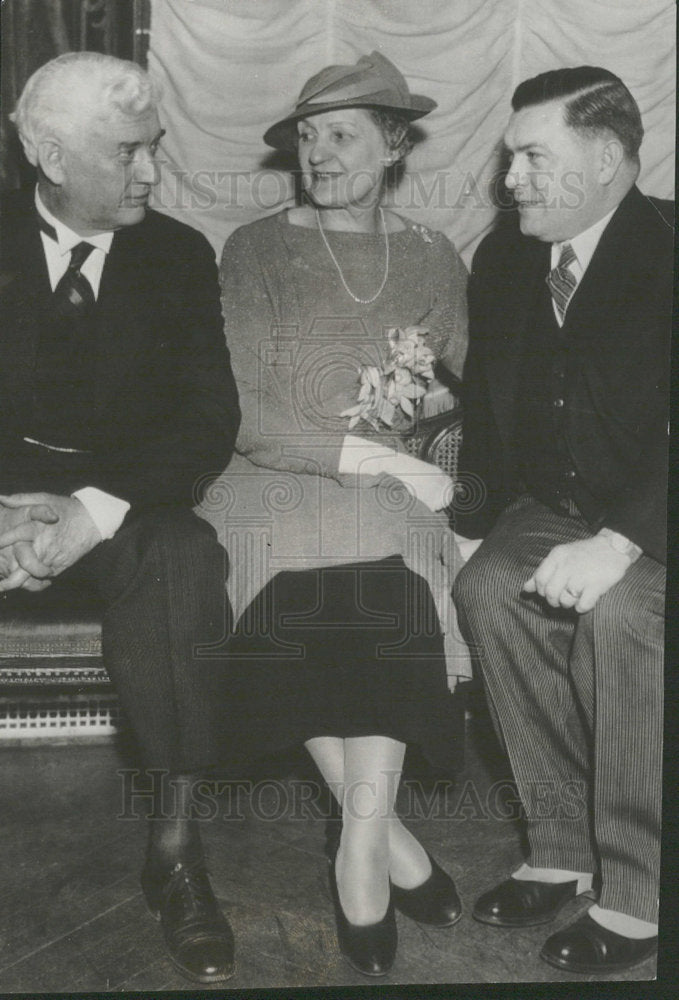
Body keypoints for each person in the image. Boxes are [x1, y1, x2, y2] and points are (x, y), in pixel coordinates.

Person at [199, 51, 469, 976]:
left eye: (341, 135)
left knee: (388, 572)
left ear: (393, 146)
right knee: (301, 574)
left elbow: (457, 384)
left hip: (383, 485)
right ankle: (384, 845)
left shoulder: (433, 254)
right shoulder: (254, 249)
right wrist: (367, 452)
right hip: (265, 475)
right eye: (307, 136)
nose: (317, 153)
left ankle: (358, 842)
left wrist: (413, 403)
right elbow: (244, 409)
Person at [0, 53, 241, 984]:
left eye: (156, 147)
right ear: (50, 155)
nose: (151, 172)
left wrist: (90, 514)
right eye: (127, 152)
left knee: (183, 555)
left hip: (120, 503)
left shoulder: (178, 255)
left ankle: (176, 850)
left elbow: (206, 420)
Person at [453, 66, 672, 975]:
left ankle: (639, 890)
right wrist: (468, 524)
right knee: (488, 588)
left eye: (533, 158)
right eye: (509, 158)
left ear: (608, 158)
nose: (510, 179)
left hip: (654, 514)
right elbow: (487, 405)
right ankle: (560, 845)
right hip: (559, 506)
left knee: (622, 617)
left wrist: (620, 542)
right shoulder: (503, 260)